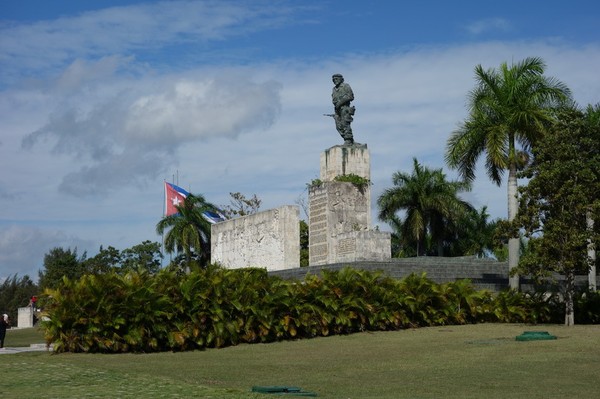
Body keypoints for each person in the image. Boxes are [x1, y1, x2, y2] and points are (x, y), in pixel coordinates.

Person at [331, 74, 355, 144]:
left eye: (336, 79)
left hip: (345, 108)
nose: (335, 81)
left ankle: (348, 139)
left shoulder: (345, 86)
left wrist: (340, 102)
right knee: (338, 125)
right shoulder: (334, 89)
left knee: (345, 123)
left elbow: (350, 96)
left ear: (341, 79)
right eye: (333, 80)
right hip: (337, 109)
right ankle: (347, 138)